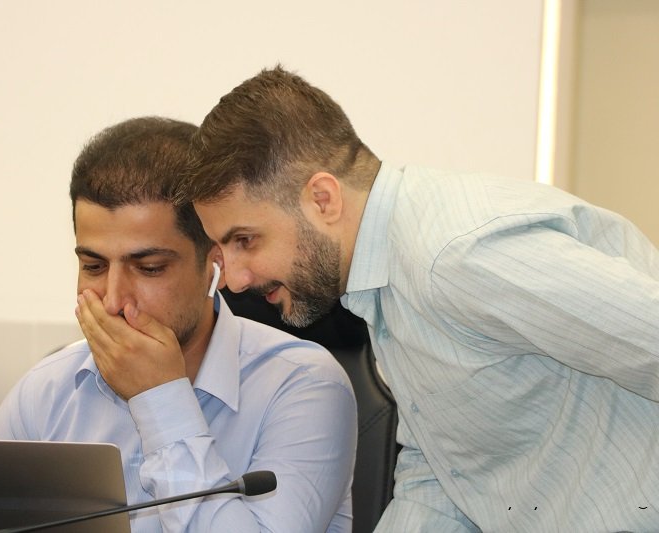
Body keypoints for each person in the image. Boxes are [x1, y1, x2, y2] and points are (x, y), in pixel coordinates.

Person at [174, 66, 659, 532]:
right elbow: (445, 475)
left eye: (246, 240)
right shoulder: (385, 282)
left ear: (323, 200)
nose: (234, 280)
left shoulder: (455, 257)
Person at [0, 116, 358, 532]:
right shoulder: (47, 392)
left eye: (148, 268)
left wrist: (159, 400)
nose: (113, 300)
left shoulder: (302, 386)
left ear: (215, 264)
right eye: (93, 266)